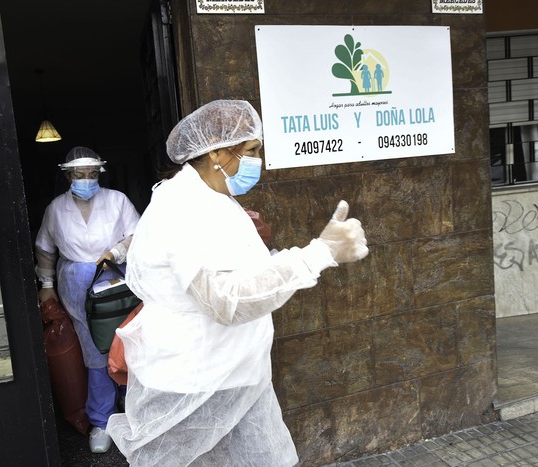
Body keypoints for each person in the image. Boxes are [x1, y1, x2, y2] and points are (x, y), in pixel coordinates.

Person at [106, 100, 368, 466]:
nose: (258, 160)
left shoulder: (214, 198)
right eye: (252, 150)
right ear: (217, 152)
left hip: (231, 370)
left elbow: (240, 271)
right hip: (195, 383)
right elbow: (225, 300)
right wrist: (318, 253)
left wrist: (300, 256)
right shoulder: (184, 208)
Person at [35, 146, 140, 454]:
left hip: (115, 278)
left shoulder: (117, 200)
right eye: (79, 175)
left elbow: (137, 235)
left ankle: (135, 412)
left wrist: (115, 253)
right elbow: (45, 249)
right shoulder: (56, 208)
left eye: (92, 174)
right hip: (75, 282)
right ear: (68, 176)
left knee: (127, 342)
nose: (86, 180)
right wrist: (46, 284)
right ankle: (102, 420)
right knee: (94, 350)